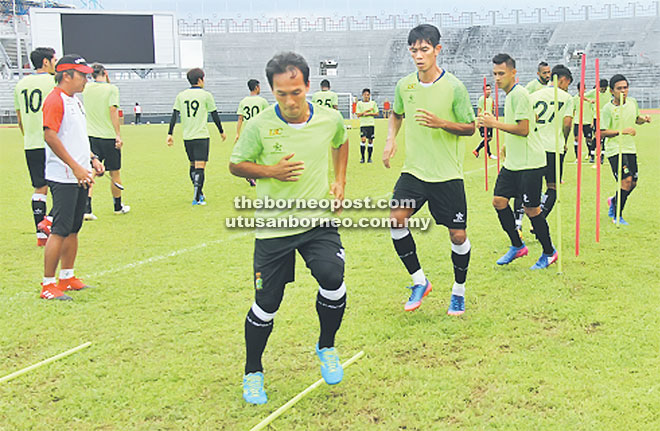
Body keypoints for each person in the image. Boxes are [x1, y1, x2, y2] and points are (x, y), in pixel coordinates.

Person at [229, 52, 349, 405]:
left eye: (296, 91)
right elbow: (237, 166)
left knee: (332, 276)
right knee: (267, 303)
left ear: (308, 86)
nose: (290, 101)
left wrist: (340, 180)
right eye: (281, 94)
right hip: (274, 229)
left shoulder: (329, 118)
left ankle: (326, 346)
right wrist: (270, 172)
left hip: (318, 223)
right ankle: (253, 372)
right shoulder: (259, 126)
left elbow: (341, 142)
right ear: (271, 91)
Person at [383, 24, 475, 315]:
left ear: (437, 50)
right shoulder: (404, 86)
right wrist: (390, 141)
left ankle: (458, 291)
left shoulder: (455, 87)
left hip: (447, 175)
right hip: (414, 172)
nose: (419, 56)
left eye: (424, 49)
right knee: (396, 220)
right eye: (414, 50)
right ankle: (419, 281)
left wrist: (442, 123)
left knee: (457, 236)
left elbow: (470, 127)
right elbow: (396, 113)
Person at [478, 53, 557, 270]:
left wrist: (494, 123)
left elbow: (523, 129)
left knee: (532, 210)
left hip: (530, 163)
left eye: (501, 73)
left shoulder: (519, 94)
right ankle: (517, 245)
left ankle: (549, 252)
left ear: (514, 73)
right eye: (494, 73)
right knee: (499, 201)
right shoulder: (510, 95)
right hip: (513, 163)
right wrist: (505, 144)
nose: (497, 78)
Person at [40, 54, 105, 301]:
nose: (86, 80)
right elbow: (51, 136)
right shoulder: (55, 100)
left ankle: (67, 277)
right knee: (60, 229)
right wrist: (75, 167)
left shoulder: (75, 101)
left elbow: (76, 137)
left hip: (79, 173)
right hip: (64, 175)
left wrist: (91, 159)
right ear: (66, 75)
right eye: (82, 75)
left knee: (74, 228)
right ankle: (48, 284)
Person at [13, 47, 57, 246]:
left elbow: (20, 119)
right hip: (52, 141)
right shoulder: (53, 82)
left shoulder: (20, 85)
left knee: (40, 187)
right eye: (54, 60)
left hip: (31, 142)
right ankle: (50, 221)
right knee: (63, 185)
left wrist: (29, 135)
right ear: (46, 62)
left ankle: (40, 234)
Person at [167, 68, 226, 205]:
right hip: (201, 135)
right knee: (200, 167)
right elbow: (214, 114)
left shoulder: (181, 95)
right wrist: (221, 131)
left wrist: (170, 133)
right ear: (200, 79)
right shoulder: (206, 95)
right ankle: (196, 197)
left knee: (193, 165)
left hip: (187, 137)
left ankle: (199, 194)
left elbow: (174, 115)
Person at [600, 74, 651, 225]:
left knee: (633, 183)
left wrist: (644, 120)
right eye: (619, 88)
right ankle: (617, 216)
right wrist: (622, 131)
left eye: (625, 88)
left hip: (630, 148)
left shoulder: (632, 102)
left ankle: (614, 200)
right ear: (611, 91)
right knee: (626, 181)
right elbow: (601, 132)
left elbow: (636, 119)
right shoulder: (607, 109)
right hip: (615, 149)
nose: (623, 91)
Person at [82, 63, 129, 219]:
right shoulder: (111, 89)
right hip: (108, 135)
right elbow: (113, 111)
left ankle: (87, 208)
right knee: (114, 171)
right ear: (105, 73)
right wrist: (118, 134)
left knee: (91, 172)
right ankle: (117, 206)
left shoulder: (86, 88)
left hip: (90, 135)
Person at [529, 64, 574, 220]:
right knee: (552, 186)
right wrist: (565, 141)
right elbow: (567, 124)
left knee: (530, 186)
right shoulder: (567, 98)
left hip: (534, 146)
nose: (568, 88)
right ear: (563, 80)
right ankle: (540, 220)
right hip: (554, 147)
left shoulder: (534, 95)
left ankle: (521, 220)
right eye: (568, 84)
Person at [236, 79, 270, 187]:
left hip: (247, 130)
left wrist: (237, 133)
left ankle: (251, 175)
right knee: (261, 153)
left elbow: (240, 118)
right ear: (256, 87)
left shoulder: (243, 101)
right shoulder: (262, 101)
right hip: (259, 130)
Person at [585, 79, 610, 163]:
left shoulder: (609, 91)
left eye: (605, 89)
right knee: (597, 137)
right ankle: (592, 155)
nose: (603, 90)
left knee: (604, 138)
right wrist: (590, 100)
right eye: (602, 89)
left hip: (606, 117)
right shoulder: (594, 92)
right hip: (597, 118)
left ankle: (601, 156)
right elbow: (581, 95)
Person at [472, 83, 496, 159]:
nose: (489, 91)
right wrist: (479, 122)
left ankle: (477, 150)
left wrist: (493, 116)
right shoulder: (482, 99)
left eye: (489, 89)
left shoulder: (491, 99)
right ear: (484, 91)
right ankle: (489, 154)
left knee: (489, 138)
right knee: (487, 138)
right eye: (487, 89)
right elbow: (479, 111)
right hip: (483, 121)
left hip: (490, 121)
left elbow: (492, 109)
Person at [572, 82, 594, 161]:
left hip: (587, 121)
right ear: (578, 89)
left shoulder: (589, 99)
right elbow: (573, 110)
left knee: (589, 139)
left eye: (583, 88)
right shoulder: (574, 99)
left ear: (585, 89)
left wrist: (592, 121)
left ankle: (591, 155)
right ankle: (577, 157)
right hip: (577, 122)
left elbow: (593, 110)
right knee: (576, 139)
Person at [355, 88, 379, 163]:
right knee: (363, 140)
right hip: (363, 125)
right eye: (365, 95)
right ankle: (362, 158)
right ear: (362, 95)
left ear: (370, 95)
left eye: (368, 95)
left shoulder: (373, 103)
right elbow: (358, 115)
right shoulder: (359, 104)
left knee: (370, 141)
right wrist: (366, 111)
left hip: (371, 124)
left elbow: (377, 113)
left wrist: (369, 114)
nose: (366, 96)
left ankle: (369, 158)